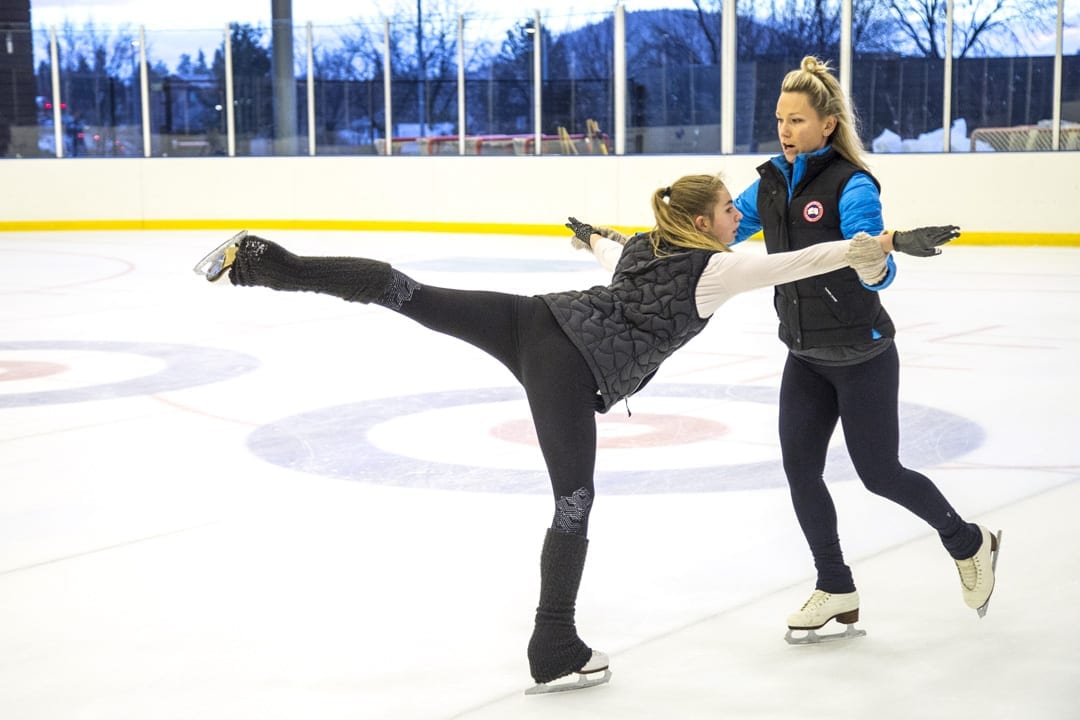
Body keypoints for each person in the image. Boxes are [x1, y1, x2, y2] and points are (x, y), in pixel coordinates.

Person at [194, 173, 944, 688]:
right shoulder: (717, 270)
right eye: (725, 209)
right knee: (573, 502)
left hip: (527, 319)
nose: (733, 217)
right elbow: (801, 261)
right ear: (703, 219)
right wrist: (883, 243)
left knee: (405, 292)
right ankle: (553, 643)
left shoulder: (645, 246)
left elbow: (609, 245)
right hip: (567, 364)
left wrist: (591, 233)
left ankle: (271, 264)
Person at [731, 56, 999, 643]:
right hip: (803, 355)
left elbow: (871, 265)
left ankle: (968, 541)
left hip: (862, 355)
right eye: (780, 119)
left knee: (880, 473)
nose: (784, 130)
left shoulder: (850, 183)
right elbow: (717, 230)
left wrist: (882, 251)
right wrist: (629, 241)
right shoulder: (772, 183)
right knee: (801, 472)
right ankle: (836, 585)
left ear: (827, 125)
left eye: (797, 120)